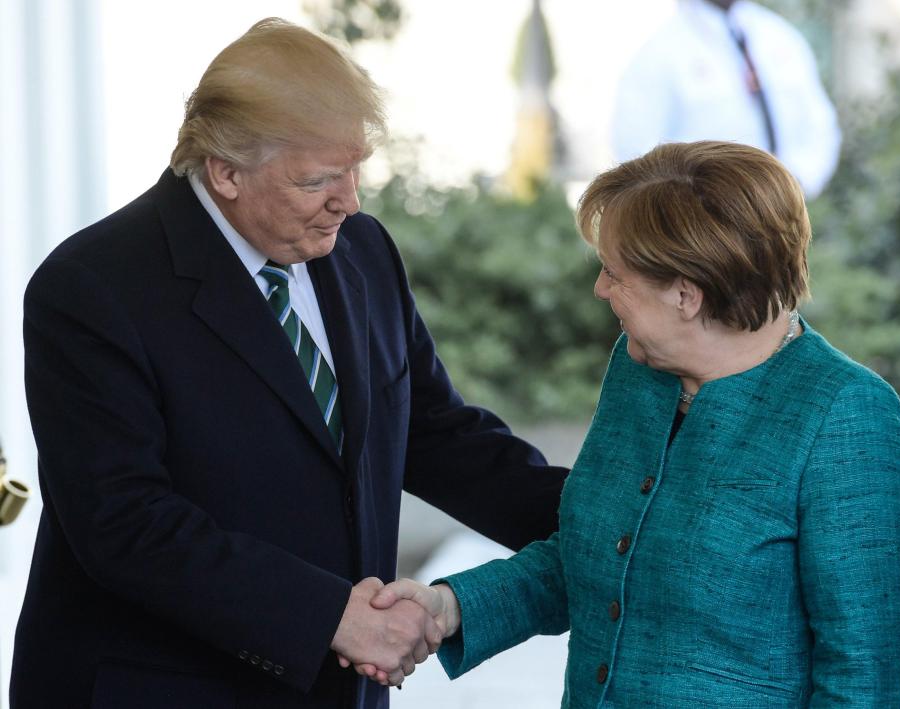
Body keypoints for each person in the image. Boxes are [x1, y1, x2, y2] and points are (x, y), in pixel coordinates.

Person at [11, 18, 567, 709]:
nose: (352, 200)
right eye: (319, 180)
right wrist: (333, 616)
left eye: (357, 167)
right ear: (226, 172)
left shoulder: (361, 248)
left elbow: (435, 433)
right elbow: (126, 523)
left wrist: (610, 521)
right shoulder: (92, 286)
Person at [360, 141, 900, 707]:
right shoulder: (642, 371)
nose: (600, 288)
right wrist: (451, 606)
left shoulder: (850, 421)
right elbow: (599, 557)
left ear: (686, 293)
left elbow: (862, 683)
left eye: (615, 273)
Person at [612, 0, 840, 198]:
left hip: (784, 212)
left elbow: (820, 125)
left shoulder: (781, 38)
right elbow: (635, 151)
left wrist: (794, 184)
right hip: (704, 225)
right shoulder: (659, 52)